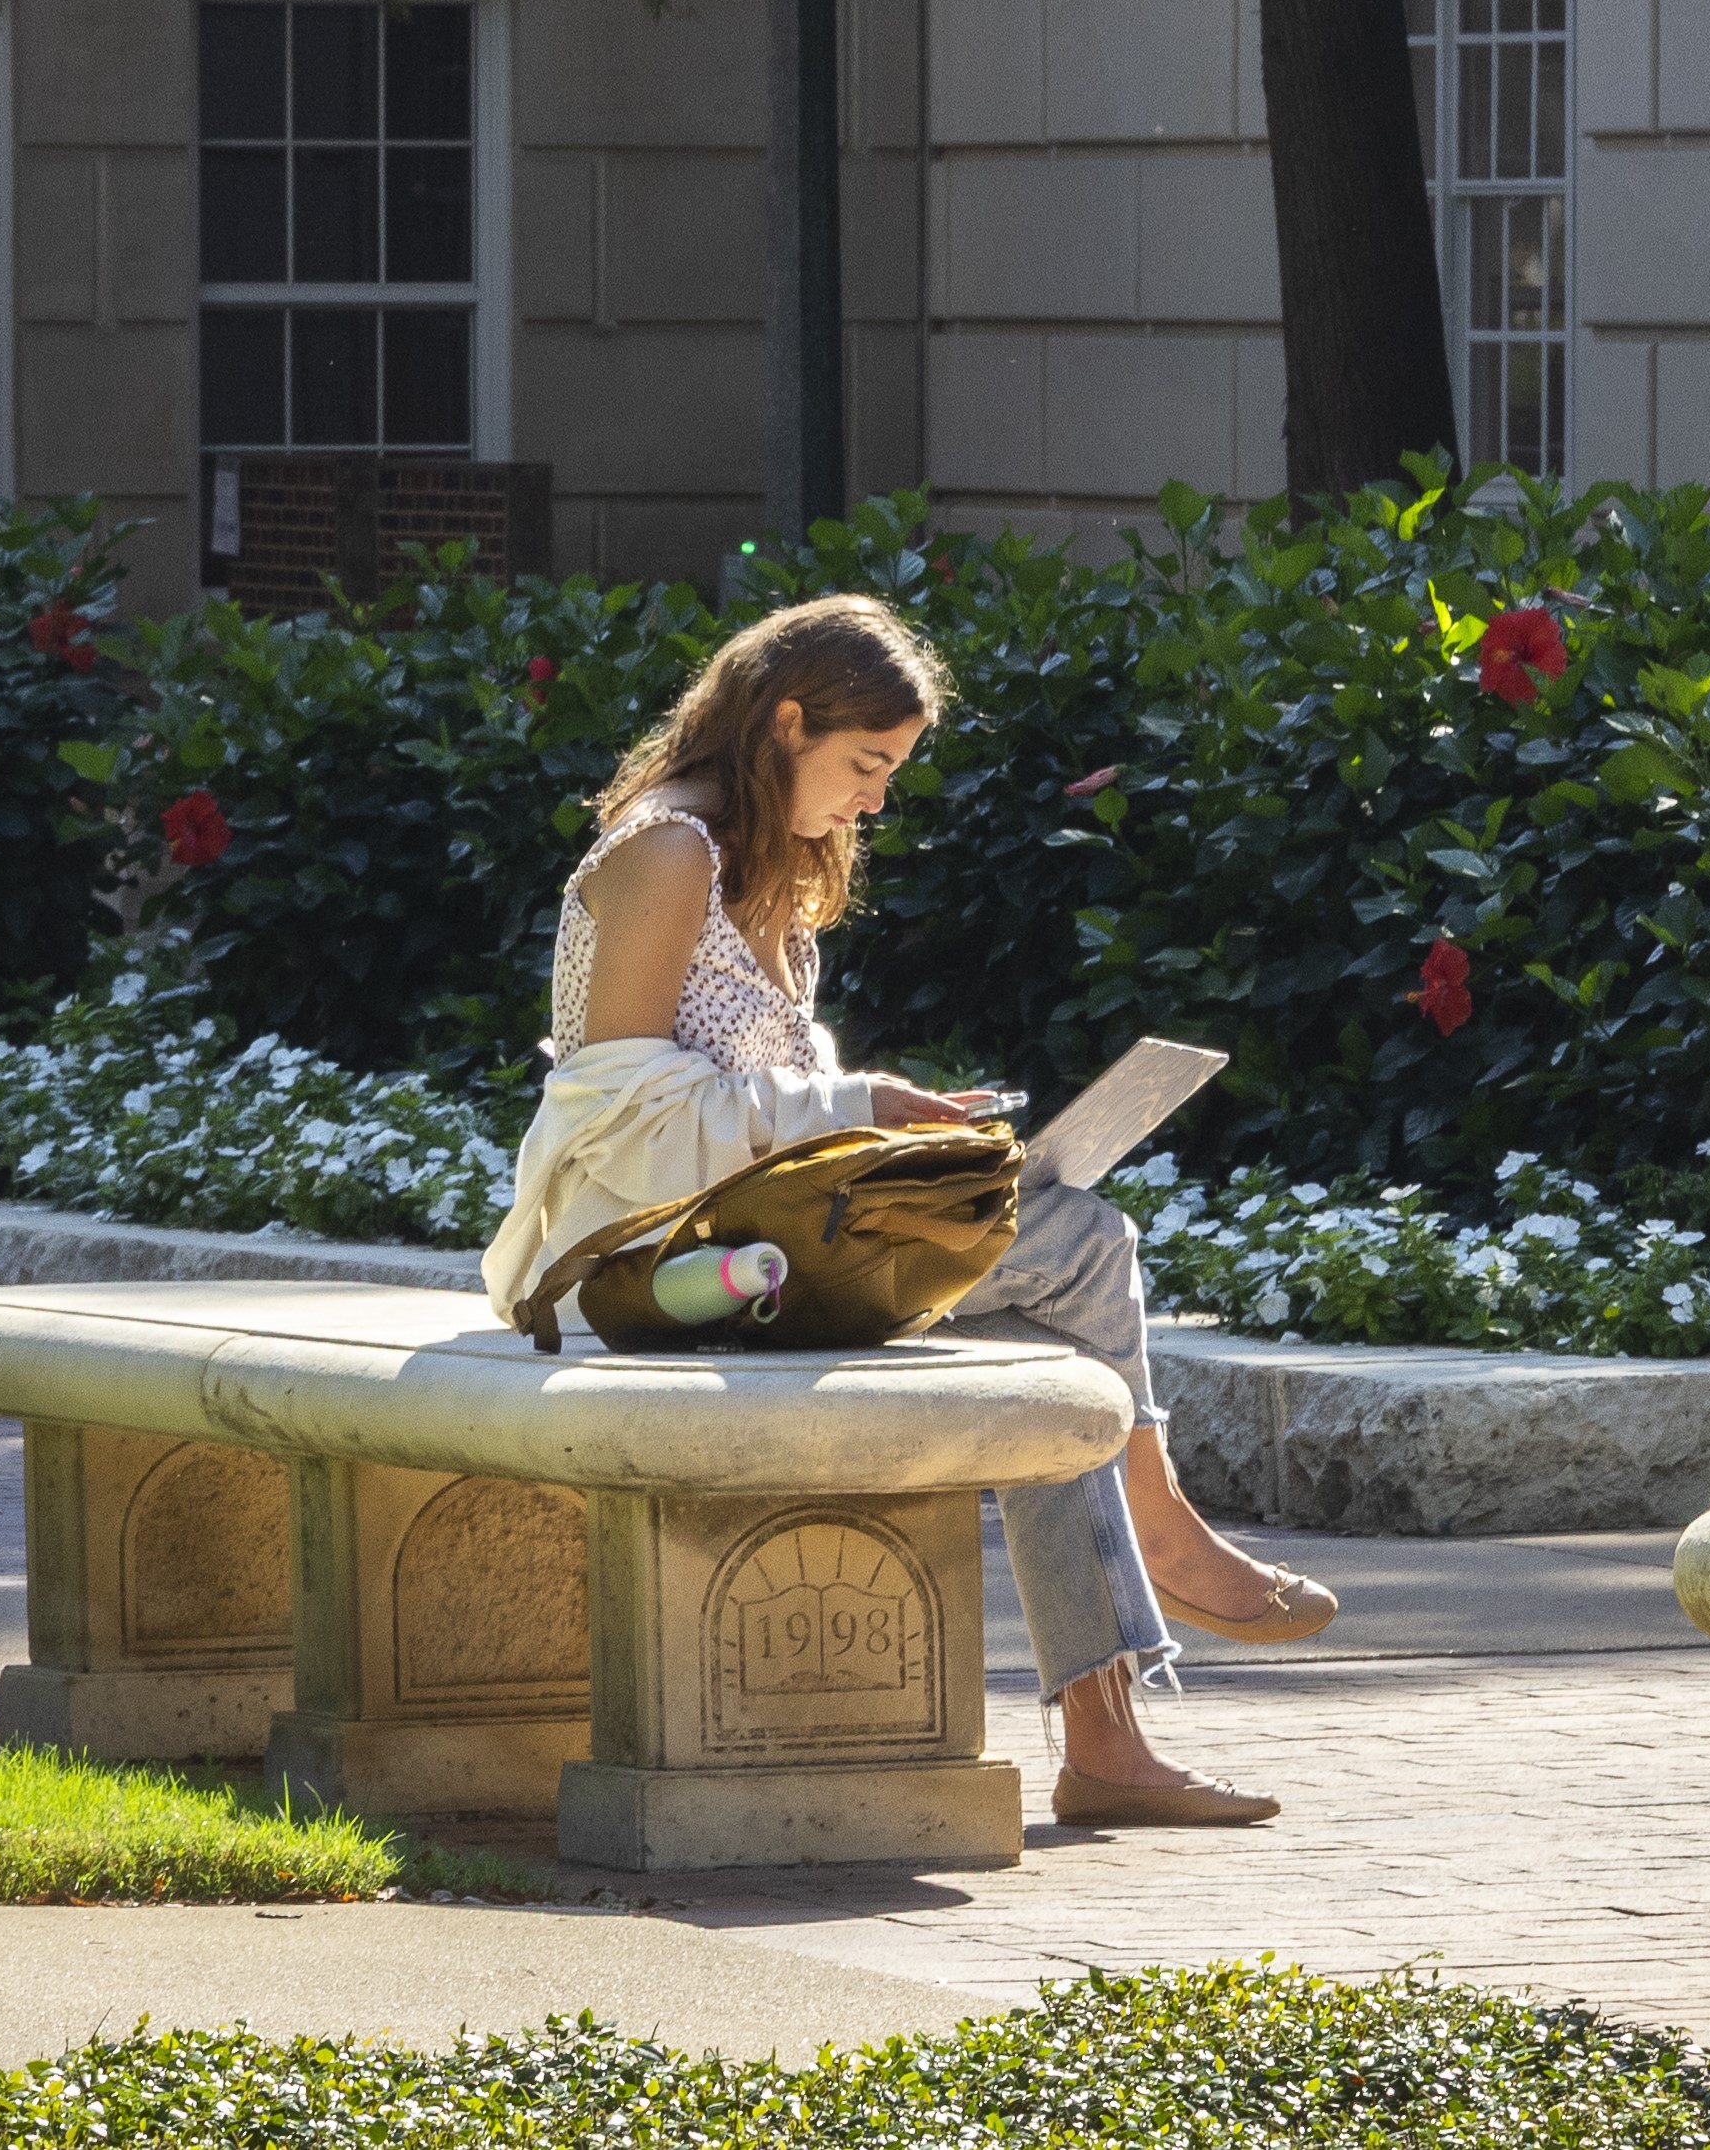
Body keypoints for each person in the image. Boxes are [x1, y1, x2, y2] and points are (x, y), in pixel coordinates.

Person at [484, 591, 1336, 1830]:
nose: (875, 797)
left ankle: (1106, 1744)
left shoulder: (766, 864)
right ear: (783, 724)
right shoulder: (670, 850)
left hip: (754, 1232)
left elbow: (746, 1091)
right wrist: (857, 1103)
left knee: (1039, 1343)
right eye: (864, 762)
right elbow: (613, 1109)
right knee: (1085, 1244)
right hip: (655, 1264)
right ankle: (1162, 1530)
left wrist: (891, 1133)